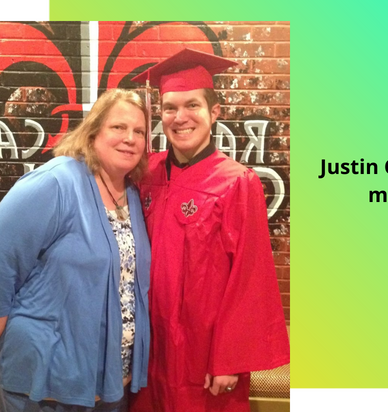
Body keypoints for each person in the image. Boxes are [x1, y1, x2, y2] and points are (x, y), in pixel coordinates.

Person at [129, 48, 290, 412]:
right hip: (151, 346)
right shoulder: (145, 174)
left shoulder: (236, 183)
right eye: (170, 108)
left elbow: (250, 277)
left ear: (214, 113)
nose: (180, 117)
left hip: (203, 352)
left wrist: (229, 359)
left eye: (192, 106)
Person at [0, 89, 151, 411]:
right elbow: (2, 263)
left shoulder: (131, 195)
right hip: (46, 384)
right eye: (118, 127)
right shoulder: (54, 183)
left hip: (110, 383)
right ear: (93, 130)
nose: (130, 138)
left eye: (139, 131)